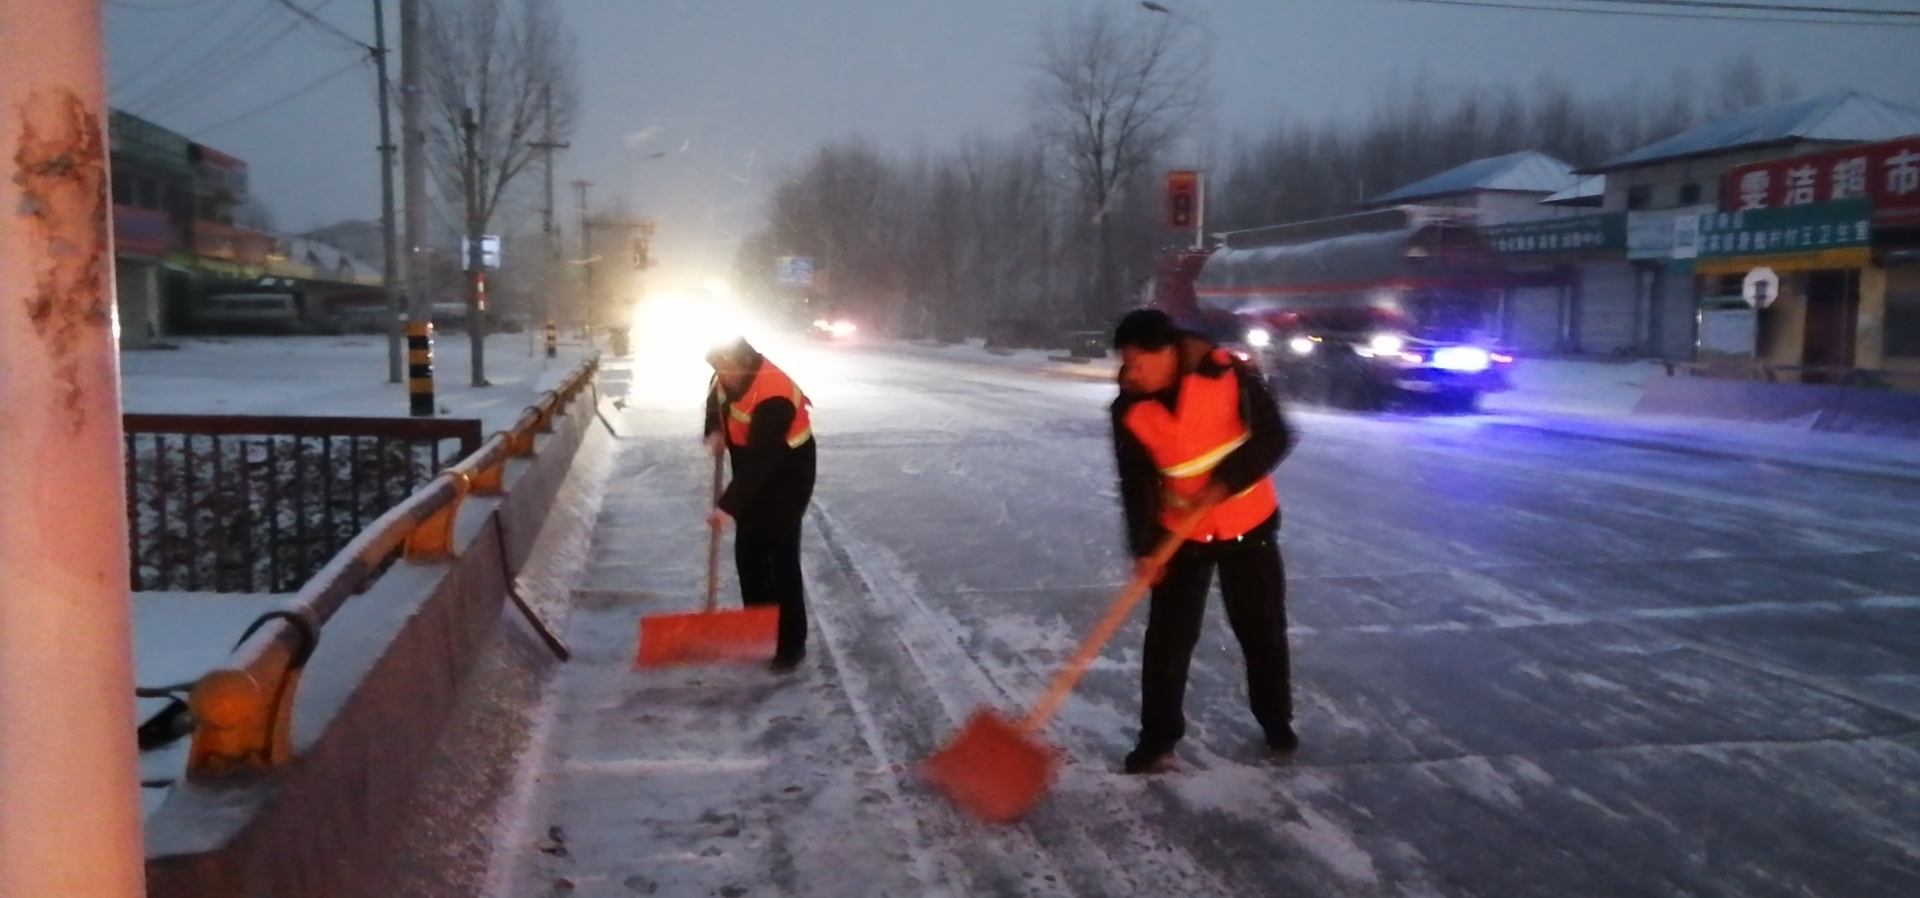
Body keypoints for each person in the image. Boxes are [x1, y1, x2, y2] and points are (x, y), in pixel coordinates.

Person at [1109, 308, 1298, 774]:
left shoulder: (1229, 374)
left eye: (1137, 362)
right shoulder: (1130, 409)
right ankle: (1157, 739)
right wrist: (1146, 549)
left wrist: (1227, 480)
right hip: (1182, 534)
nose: (1128, 372)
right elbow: (1136, 484)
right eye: (1124, 363)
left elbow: (1275, 436)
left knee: (1261, 632)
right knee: (1167, 643)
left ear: (1167, 353)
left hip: (1247, 525)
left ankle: (1275, 721)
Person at [703, 337, 817, 672]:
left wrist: (728, 507)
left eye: (728, 371)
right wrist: (714, 431)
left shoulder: (774, 395)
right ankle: (760, 630)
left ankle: (790, 646)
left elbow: (763, 461)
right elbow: (715, 400)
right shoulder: (725, 373)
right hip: (751, 467)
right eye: (719, 370)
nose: (723, 377)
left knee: (780, 560)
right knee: (749, 555)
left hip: (788, 477)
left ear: (745, 366)